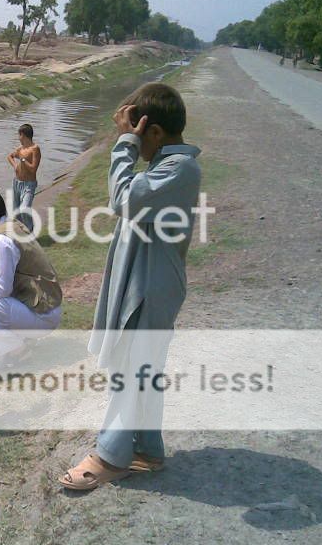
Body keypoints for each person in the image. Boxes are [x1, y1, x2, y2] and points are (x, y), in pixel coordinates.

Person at [60, 83, 201, 491]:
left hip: (151, 285)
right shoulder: (168, 166)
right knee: (143, 367)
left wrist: (122, 145)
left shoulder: (179, 169)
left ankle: (111, 456)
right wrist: (128, 140)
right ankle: (148, 448)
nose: (135, 142)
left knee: (130, 368)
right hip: (146, 279)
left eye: (138, 133)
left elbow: (123, 197)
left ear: (153, 132)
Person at [0, 187, 63, 372]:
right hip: (47, 306)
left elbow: (1, 288)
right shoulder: (12, 225)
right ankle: (20, 342)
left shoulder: (0, 240)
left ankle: (18, 352)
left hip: (44, 315)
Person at [6, 123, 41, 231]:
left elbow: (33, 169)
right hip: (16, 183)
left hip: (29, 185)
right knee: (14, 212)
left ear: (24, 135)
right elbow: (9, 156)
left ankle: (30, 230)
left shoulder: (35, 149)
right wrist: (15, 165)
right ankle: (21, 232)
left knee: (24, 209)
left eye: (19, 135)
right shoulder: (20, 149)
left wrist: (23, 160)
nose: (18, 138)